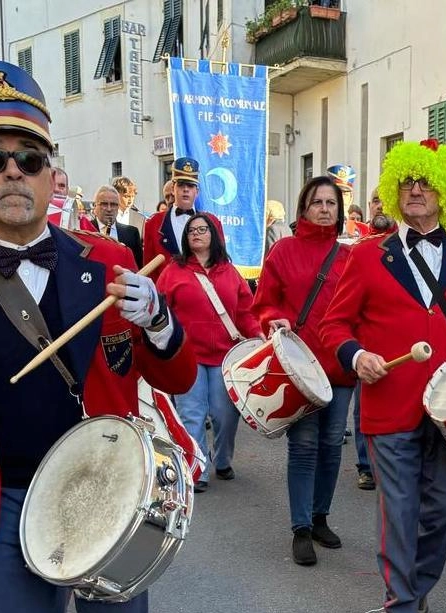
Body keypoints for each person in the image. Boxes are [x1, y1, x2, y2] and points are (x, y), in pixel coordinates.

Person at [0, 59, 197, 613]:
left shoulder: (110, 260)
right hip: (2, 501)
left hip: (111, 493)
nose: (13, 171)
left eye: (29, 159)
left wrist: (158, 319)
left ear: (50, 175)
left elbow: (178, 377)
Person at [320, 139, 446, 613]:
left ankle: (411, 593)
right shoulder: (367, 254)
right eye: (406, 181)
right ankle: (403, 603)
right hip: (390, 403)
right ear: (394, 189)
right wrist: (356, 355)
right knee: (400, 512)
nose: (414, 190)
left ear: (443, 191)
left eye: (425, 182)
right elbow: (334, 324)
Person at [253, 176, 355, 566]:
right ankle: (300, 528)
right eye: (318, 202)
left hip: (339, 366)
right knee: (304, 446)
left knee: (331, 445)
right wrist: (273, 318)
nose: (325, 209)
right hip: (298, 368)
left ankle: (319, 517)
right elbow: (264, 302)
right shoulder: (283, 251)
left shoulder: (350, 256)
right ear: (304, 208)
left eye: (332, 203)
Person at [156, 212, 260, 493]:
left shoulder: (230, 271)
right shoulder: (173, 270)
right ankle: (197, 468)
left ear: (214, 235)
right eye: (191, 230)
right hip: (187, 356)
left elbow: (245, 312)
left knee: (225, 415)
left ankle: (222, 459)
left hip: (225, 356)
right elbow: (160, 311)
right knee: (192, 413)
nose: (196, 234)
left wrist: (258, 333)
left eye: (202, 229)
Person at [143, 156, 224, 279]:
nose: (186, 190)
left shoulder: (213, 223)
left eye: (190, 186)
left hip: (204, 293)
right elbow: (149, 271)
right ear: (173, 188)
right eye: (181, 185)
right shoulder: (154, 223)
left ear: (197, 191)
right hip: (166, 293)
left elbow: (221, 264)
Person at [91, 184, 143, 267]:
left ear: (118, 206)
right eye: (104, 204)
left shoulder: (132, 233)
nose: (109, 209)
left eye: (113, 204)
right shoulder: (85, 229)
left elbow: (138, 266)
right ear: (95, 206)